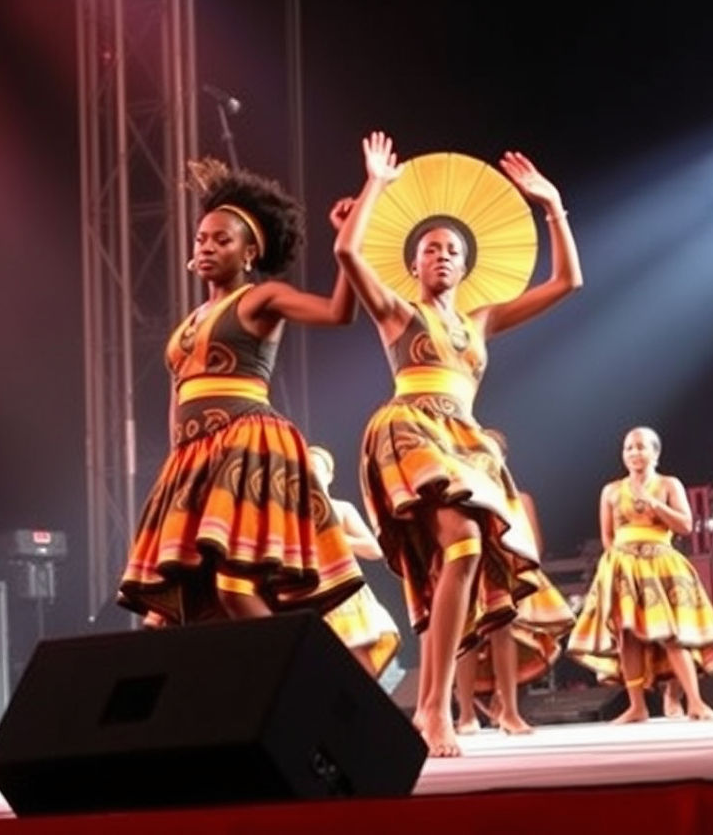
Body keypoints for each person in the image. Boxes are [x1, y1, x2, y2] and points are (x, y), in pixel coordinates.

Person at [334, 131, 583, 756]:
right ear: (413, 264)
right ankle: (435, 710)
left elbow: (567, 283)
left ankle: (433, 707)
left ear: (466, 266)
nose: (441, 255)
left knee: (468, 555)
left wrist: (552, 205)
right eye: (429, 249)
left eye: (451, 249)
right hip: (412, 427)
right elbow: (346, 250)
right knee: (463, 542)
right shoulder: (397, 312)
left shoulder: (479, 321)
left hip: (466, 440)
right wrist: (377, 185)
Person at [118, 158, 365, 624]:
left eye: (222, 239)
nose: (207, 247)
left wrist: (347, 244)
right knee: (178, 604)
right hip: (194, 460)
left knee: (234, 586)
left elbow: (338, 312)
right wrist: (178, 468)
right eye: (201, 239)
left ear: (249, 253)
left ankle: (288, 678)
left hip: (245, 444)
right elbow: (179, 395)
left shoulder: (258, 299)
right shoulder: (190, 322)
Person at [567, 427, 713, 722]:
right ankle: (637, 705)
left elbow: (685, 526)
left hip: (660, 562)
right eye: (628, 448)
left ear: (655, 453)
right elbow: (607, 535)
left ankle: (694, 701)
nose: (634, 453)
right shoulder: (611, 491)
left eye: (641, 447)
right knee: (628, 637)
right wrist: (618, 563)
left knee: (670, 633)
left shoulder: (668, 484)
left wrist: (654, 503)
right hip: (622, 565)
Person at [452, 427, 574, 736]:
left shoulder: (518, 498)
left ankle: (509, 711)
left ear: (503, 459)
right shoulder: (463, 494)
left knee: (503, 633)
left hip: (505, 570)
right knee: (467, 640)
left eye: (491, 452)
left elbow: (533, 543)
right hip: (469, 569)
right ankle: (466, 713)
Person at [308, 445, 402, 677]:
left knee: (361, 660)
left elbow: (374, 549)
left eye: (315, 469)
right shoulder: (294, 515)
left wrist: (334, 537)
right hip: (315, 595)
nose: (310, 474)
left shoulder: (341, 509)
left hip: (346, 593)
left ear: (329, 476)